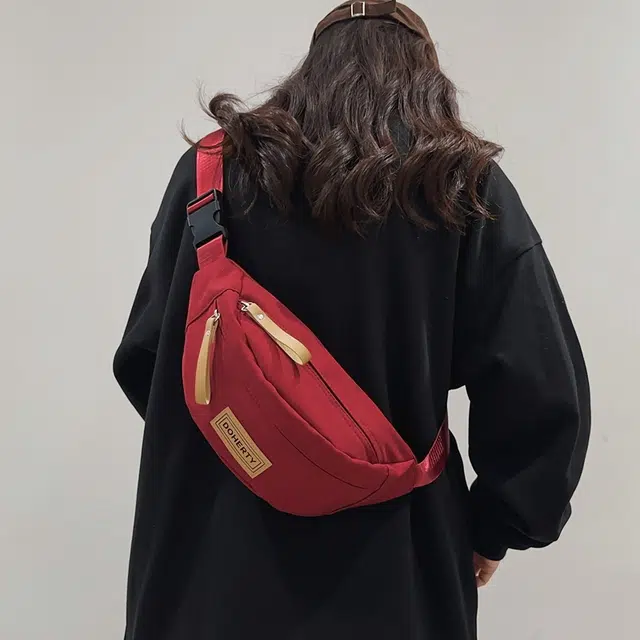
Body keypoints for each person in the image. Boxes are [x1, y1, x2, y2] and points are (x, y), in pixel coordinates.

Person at [113, 2, 591, 639]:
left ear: (311, 67)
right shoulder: (462, 184)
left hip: (207, 563)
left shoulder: (211, 173)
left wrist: (259, 447)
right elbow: (541, 388)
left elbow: (148, 355)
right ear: (427, 75)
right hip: (397, 566)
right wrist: (497, 526)